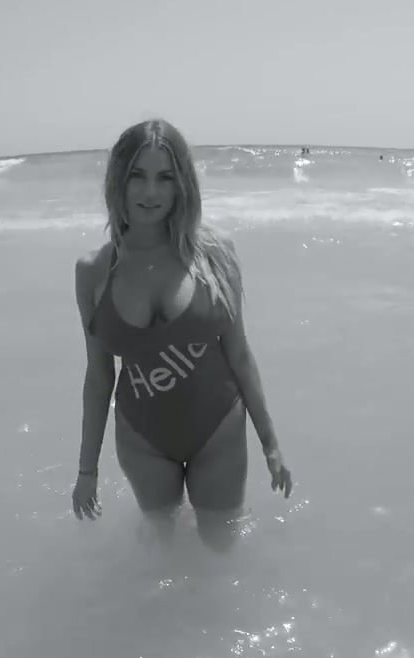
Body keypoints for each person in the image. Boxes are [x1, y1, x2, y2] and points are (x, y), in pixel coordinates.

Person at [71, 119, 293, 549]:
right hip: (143, 440)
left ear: (182, 184)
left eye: (165, 177)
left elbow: (239, 354)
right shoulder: (93, 272)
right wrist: (86, 471)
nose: (150, 192)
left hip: (218, 431)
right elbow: (99, 377)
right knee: (162, 553)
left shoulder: (214, 253)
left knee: (221, 550)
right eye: (138, 176)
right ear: (118, 180)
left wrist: (271, 444)